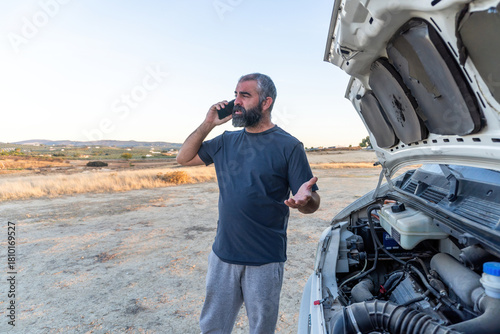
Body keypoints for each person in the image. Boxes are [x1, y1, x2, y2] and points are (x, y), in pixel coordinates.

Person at [176, 73, 320, 333]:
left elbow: (312, 201)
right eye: (235, 94)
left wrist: (305, 200)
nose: (236, 101)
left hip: (265, 259)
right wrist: (208, 123)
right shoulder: (225, 141)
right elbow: (183, 158)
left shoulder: (289, 146)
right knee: (212, 327)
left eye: (245, 95)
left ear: (266, 103)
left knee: (261, 329)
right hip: (223, 255)